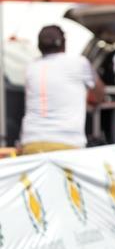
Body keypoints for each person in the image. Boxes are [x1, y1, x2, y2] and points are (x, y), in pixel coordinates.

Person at [20, 25, 105, 154]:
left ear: (39, 46)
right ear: (63, 43)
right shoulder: (78, 63)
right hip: (66, 142)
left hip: (31, 142)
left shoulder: (31, 67)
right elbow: (99, 96)